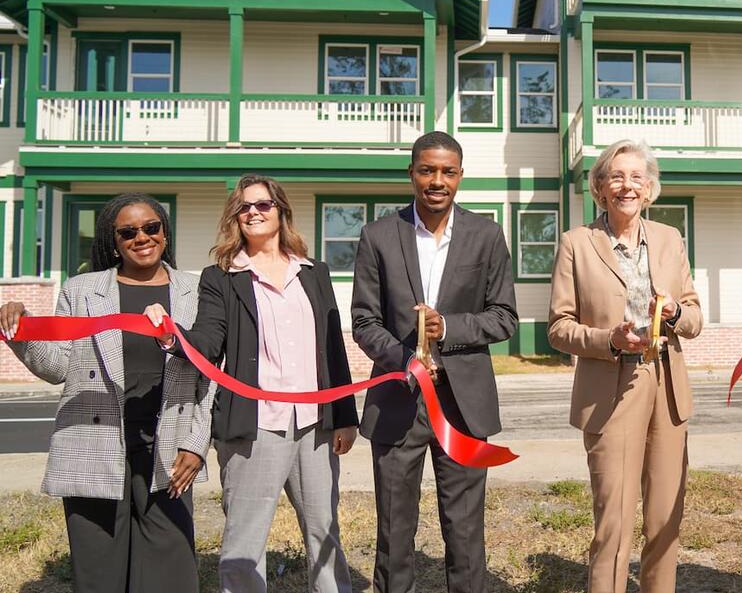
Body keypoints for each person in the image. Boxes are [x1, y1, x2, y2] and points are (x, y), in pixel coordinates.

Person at [145, 174, 359, 593]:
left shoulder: (315, 273)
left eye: (263, 204)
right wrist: (173, 336)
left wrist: (346, 417)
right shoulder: (221, 277)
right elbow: (208, 339)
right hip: (255, 427)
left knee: (325, 533)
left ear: (280, 211)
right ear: (234, 217)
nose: (254, 212)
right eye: (244, 207)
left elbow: (333, 347)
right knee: (245, 542)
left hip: (316, 425)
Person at [0, 193, 212, 592]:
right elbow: (58, 367)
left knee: (171, 576)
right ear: (112, 241)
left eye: (151, 227)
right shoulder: (80, 290)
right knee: (99, 575)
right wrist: (21, 332)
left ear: (165, 231)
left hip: (168, 445)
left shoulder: (196, 290)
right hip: (93, 441)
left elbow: (210, 374)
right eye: (128, 232)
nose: (142, 238)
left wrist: (197, 442)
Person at [352, 131, 518, 593]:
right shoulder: (379, 235)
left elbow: (504, 318)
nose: (437, 180)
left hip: (463, 405)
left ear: (460, 176)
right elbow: (364, 320)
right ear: (412, 173)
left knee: (465, 532)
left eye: (447, 171)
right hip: (398, 399)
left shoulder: (487, 236)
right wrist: (404, 358)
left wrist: (449, 329)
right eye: (427, 170)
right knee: (394, 531)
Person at [548, 138, 702, 593]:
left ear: (650, 187)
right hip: (610, 390)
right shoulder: (576, 243)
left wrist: (674, 313)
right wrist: (608, 340)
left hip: (667, 387)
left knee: (665, 519)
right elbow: (558, 327)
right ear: (600, 187)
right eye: (616, 176)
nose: (627, 186)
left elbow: (693, 317)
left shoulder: (670, 239)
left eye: (637, 177)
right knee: (613, 524)